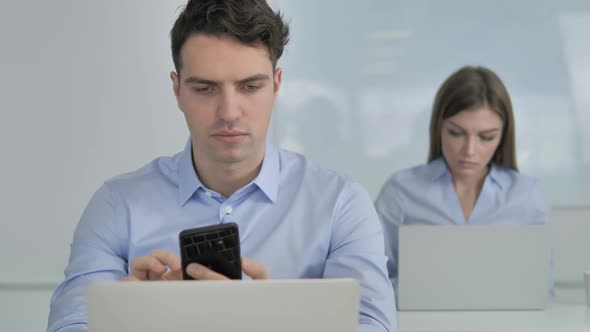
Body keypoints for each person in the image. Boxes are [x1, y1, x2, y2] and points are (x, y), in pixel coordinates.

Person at [47, 1, 396, 331]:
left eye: (249, 86)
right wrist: (126, 320)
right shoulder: (116, 205)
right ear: (177, 90)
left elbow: (373, 326)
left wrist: (265, 320)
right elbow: (69, 324)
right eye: (205, 88)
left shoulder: (340, 204)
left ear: (275, 86)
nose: (229, 112)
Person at [375, 65, 549, 288]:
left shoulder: (526, 194)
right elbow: (375, 282)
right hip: (418, 321)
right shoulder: (401, 190)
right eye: (456, 133)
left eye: (486, 137)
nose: (469, 150)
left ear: (503, 136)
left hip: (507, 323)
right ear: (438, 128)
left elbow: (541, 288)